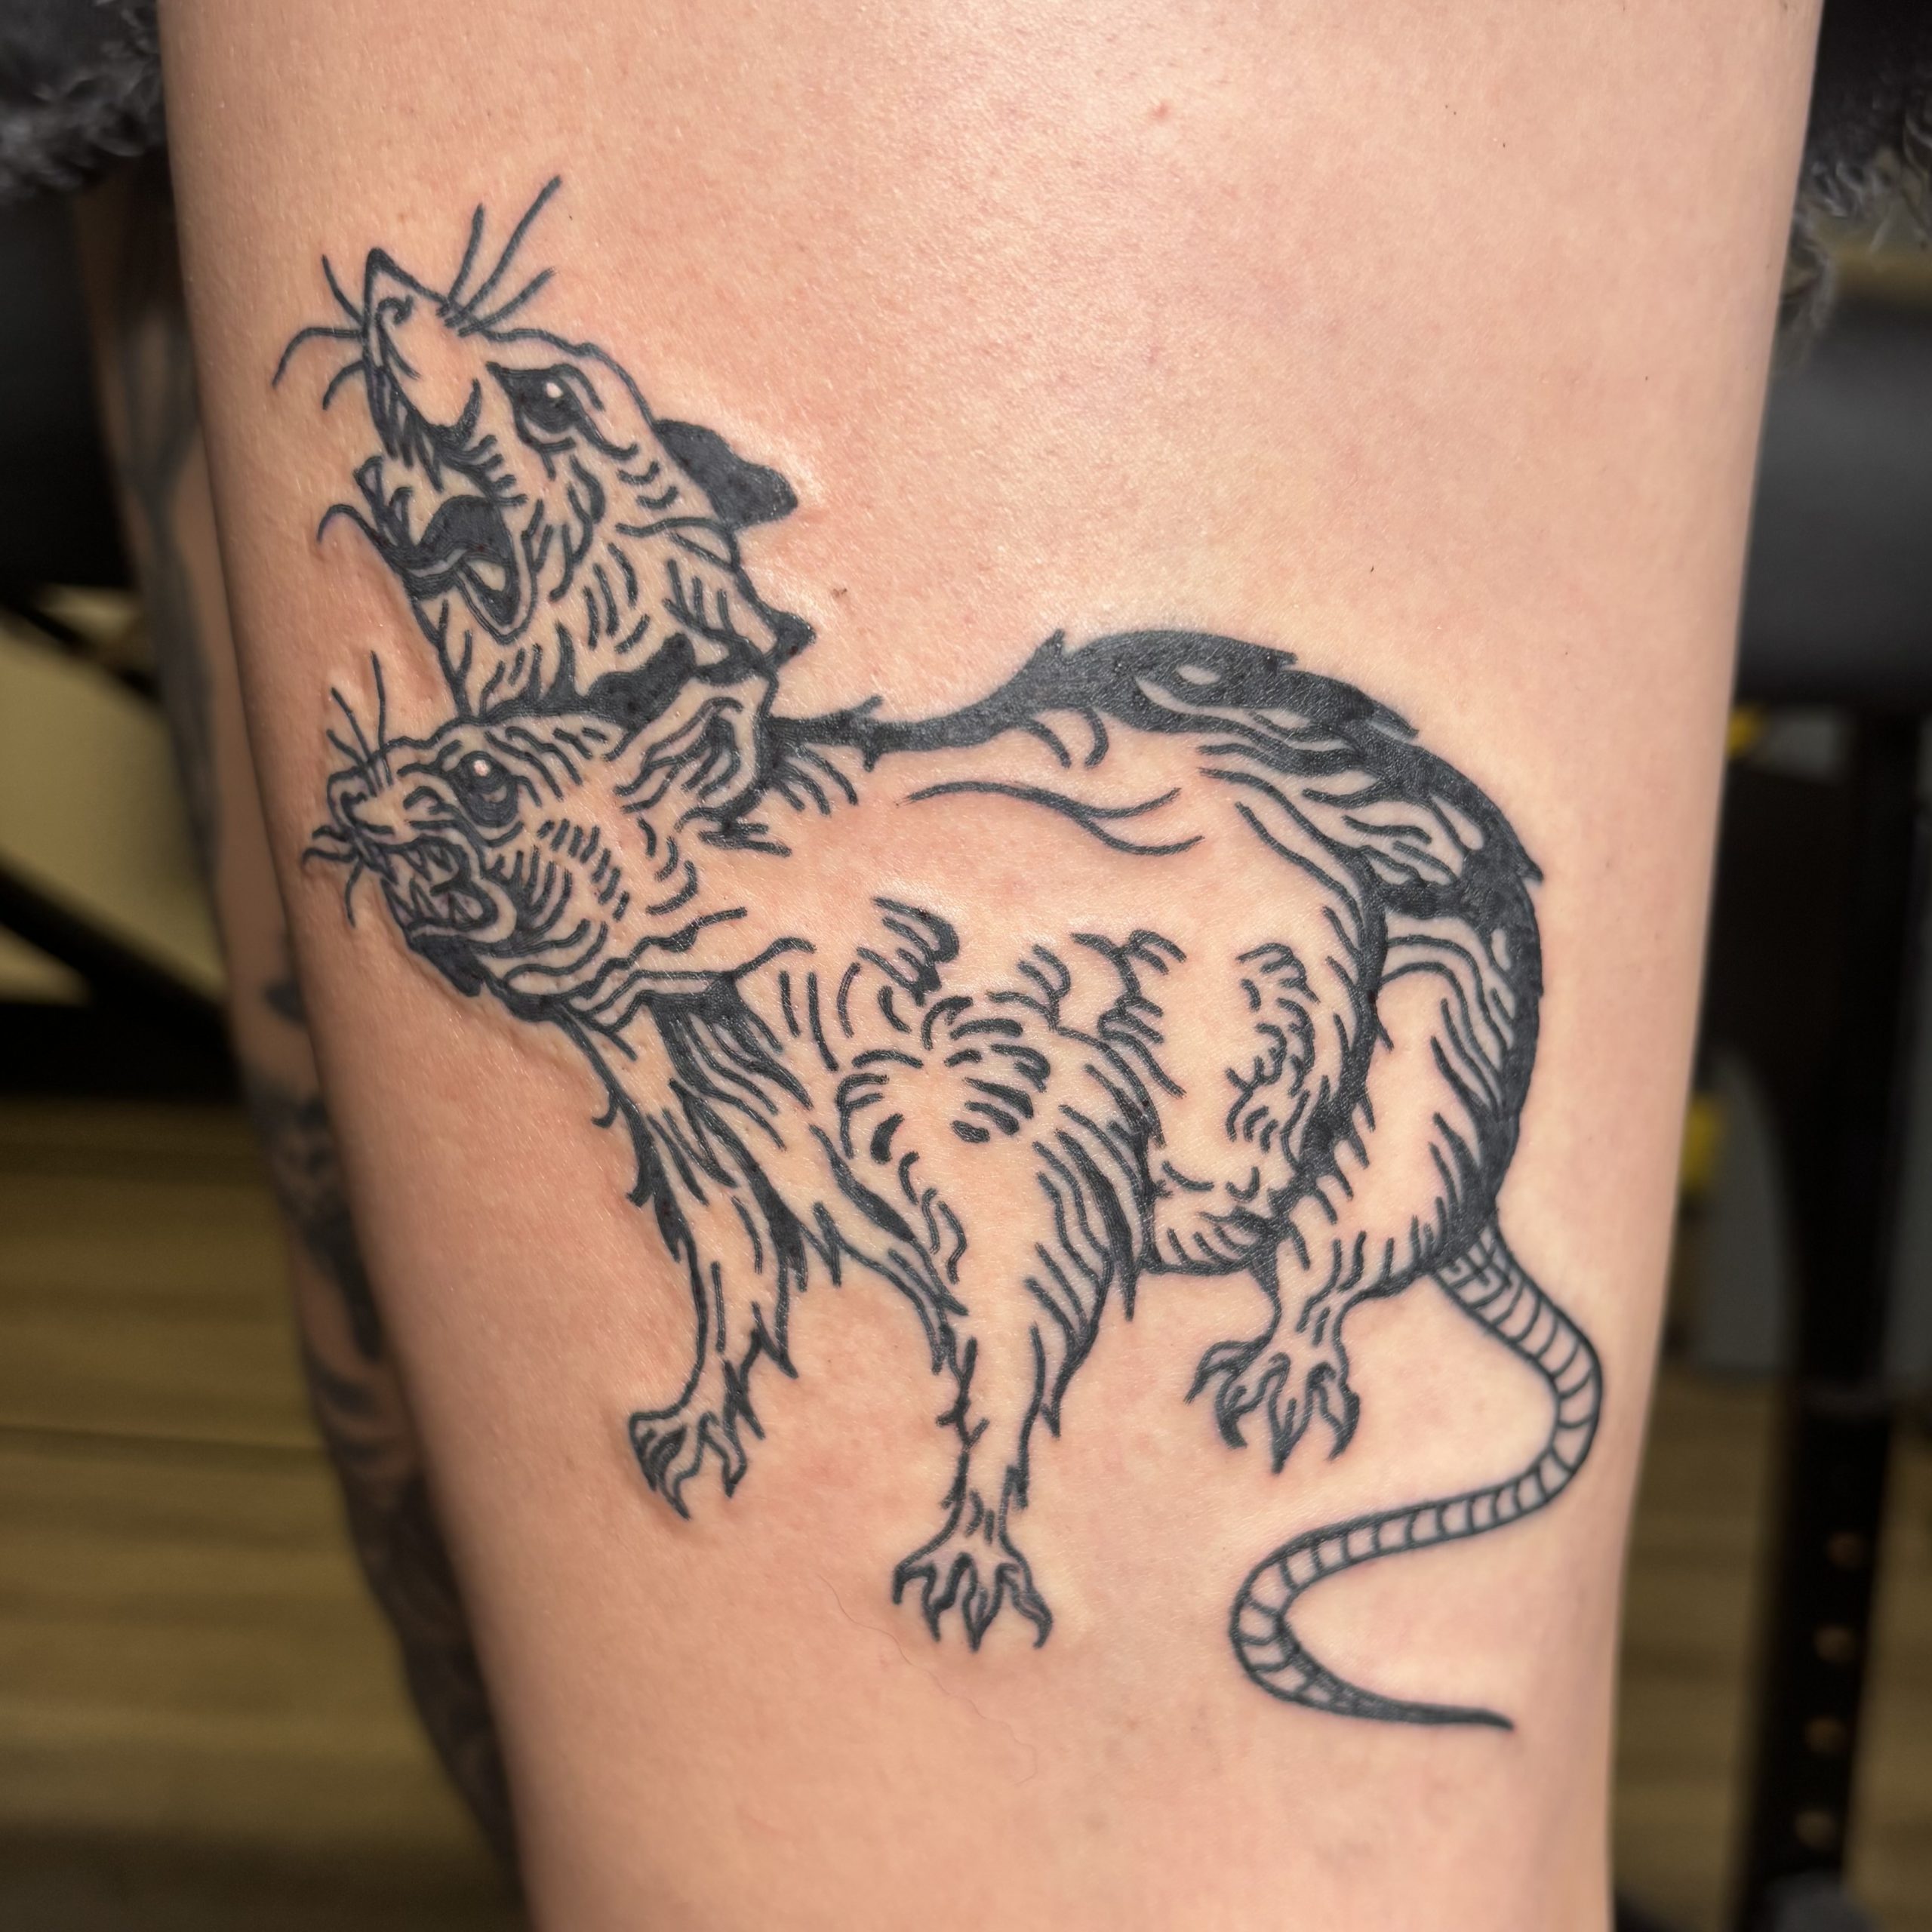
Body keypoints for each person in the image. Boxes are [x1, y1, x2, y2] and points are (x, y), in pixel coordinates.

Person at [11, 1, 1927, 1923]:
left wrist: (1071, 1446)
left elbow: (1032, 1190)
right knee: (538, 1686)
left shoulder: (867, 936)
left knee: (1048, 1866)